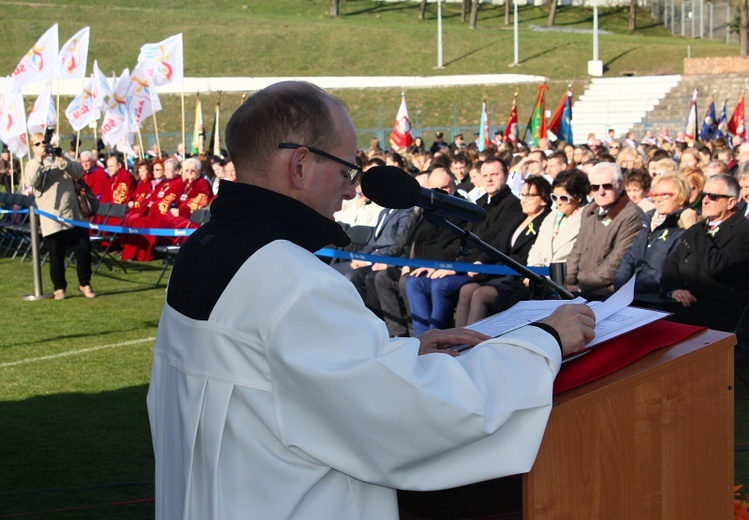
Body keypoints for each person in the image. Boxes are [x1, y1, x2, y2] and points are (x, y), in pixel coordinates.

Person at [146, 81, 595, 520]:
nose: (350, 190)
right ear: (300, 165)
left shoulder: (204, 245)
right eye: (346, 171)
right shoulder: (295, 280)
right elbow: (408, 417)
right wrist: (544, 341)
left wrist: (402, 353)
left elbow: (281, 378)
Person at [659, 174, 749, 332]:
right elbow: (671, 263)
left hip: (719, 312)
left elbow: (716, 265)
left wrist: (694, 230)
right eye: (703, 195)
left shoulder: (743, 230)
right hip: (685, 304)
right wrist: (674, 289)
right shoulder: (701, 227)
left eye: (713, 196)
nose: (705, 201)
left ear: (731, 202)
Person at [23, 134, 95, 300]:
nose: (43, 145)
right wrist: (40, 161)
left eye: (45, 142)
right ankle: (59, 288)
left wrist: (63, 159)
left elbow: (78, 172)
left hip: (74, 214)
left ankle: (85, 283)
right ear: (33, 147)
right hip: (52, 216)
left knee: (84, 250)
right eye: (38, 144)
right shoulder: (32, 164)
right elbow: (33, 181)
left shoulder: (62, 158)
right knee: (56, 255)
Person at [565, 162, 643, 299]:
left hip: (605, 292)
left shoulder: (631, 214)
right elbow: (577, 249)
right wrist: (568, 280)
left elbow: (617, 261)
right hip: (577, 288)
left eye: (607, 186)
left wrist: (581, 286)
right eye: (595, 187)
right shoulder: (589, 210)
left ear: (619, 185)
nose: (601, 191)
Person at [614, 173, 694, 294]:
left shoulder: (683, 228)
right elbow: (629, 257)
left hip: (654, 296)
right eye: (655, 194)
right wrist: (620, 283)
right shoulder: (647, 220)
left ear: (681, 198)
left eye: (665, 195)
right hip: (628, 293)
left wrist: (631, 289)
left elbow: (664, 271)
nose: (658, 199)